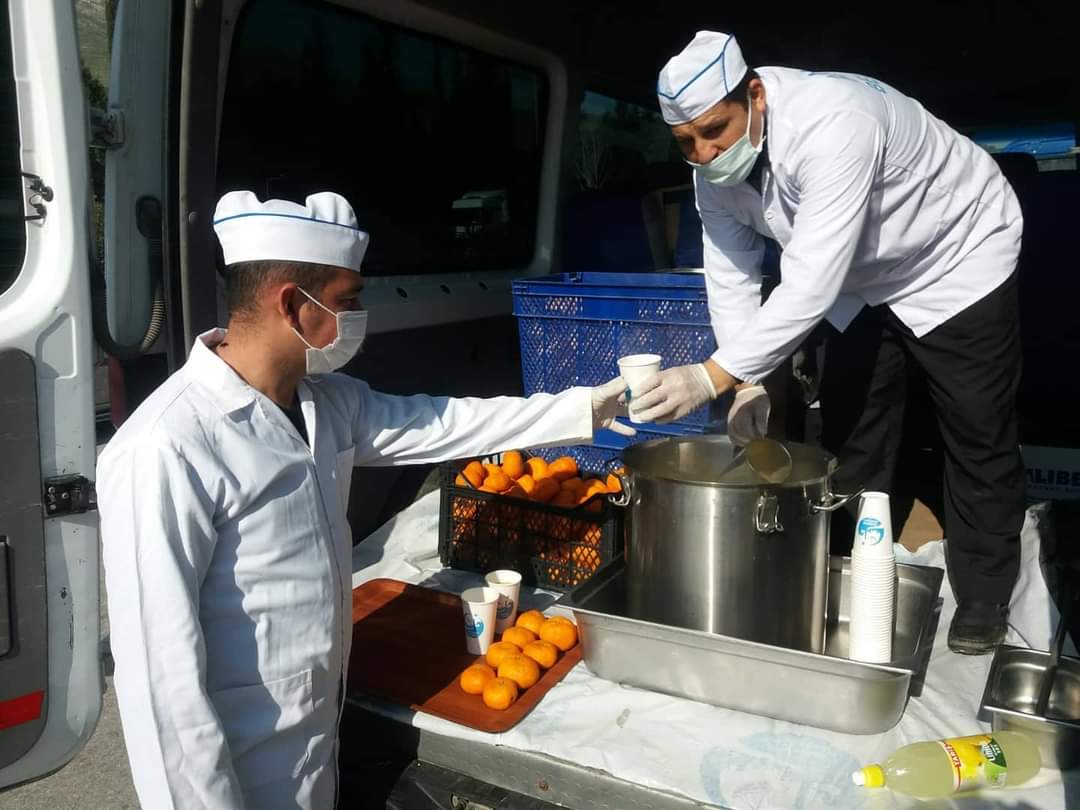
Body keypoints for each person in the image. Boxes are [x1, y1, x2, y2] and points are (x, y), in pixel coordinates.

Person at [96, 190, 631, 809]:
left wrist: (588, 408)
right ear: (292, 304)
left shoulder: (326, 401)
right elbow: (160, 683)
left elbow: (444, 423)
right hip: (237, 770)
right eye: (347, 301)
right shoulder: (167, 446)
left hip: (314, 743)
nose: (358, 318)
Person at [633, 31, 1024, 655]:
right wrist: (747, 384)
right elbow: (732, 274)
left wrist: (711, 377)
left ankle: (983, 593)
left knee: (976, 428)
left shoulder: (834, 120)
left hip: (955, 254)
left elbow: (810, 282)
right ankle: (844, 566)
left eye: (714, 130)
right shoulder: (713, 174)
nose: (704, 153)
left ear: (755, 95)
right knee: (855, 425)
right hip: (861, 276)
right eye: (686, 142)